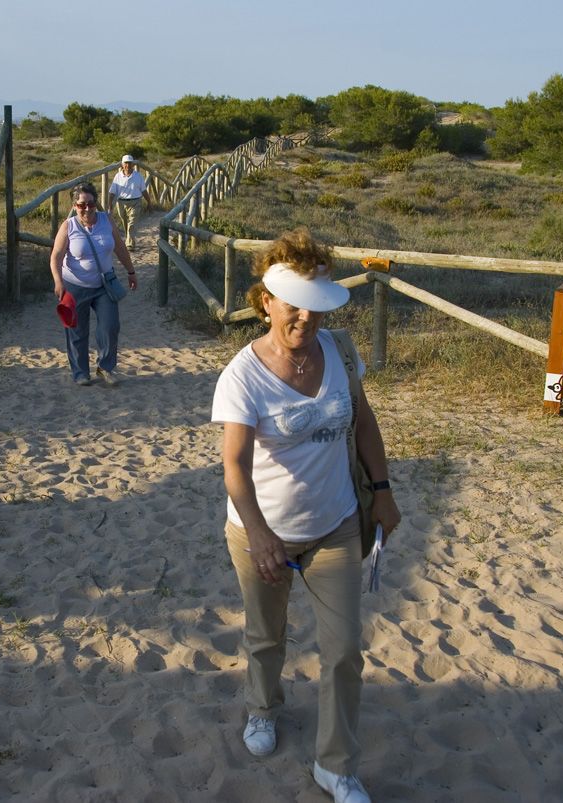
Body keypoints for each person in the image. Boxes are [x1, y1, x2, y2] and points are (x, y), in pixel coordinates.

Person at [211, 228, 401, 803]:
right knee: (266, 635)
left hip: (337, 523)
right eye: (292, 303)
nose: (305, 318)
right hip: (260, 530)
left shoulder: (341, 351)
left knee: (344, 648)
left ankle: (335, 765)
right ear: (266, 300)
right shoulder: (242, 376)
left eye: (315, 305)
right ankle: (263, 708)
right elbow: (236, 469)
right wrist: (263, 535)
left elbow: (363, 421)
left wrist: (385, 491)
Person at [49, 182, 137, 386]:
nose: (87, 208)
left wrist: (131, 272)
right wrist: (58, 282)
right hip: (74, 286)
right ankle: (80, 372)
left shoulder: (107, 221)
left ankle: (105, 367)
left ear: (96, 203)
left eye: (91, 203)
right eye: (81, 205)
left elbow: (120, 248)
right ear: (74, 206)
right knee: (77, 331)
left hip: (104, 285)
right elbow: (56, 256)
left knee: (110, 326)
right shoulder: (68, 226)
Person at [107, 155, 148, 249]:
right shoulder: (118, 176)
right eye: (126, 163)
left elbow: (144, 190)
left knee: (132, 223)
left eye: (129, 163)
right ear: (122, 164)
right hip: (121, 203)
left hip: (136, 202)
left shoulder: (138, 176)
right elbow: (112, 192)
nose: (128, 165)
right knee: (125, 222)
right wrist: (110, 205)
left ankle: (130, 244)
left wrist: (149, 202)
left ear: (133, 164)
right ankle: (128, 239)